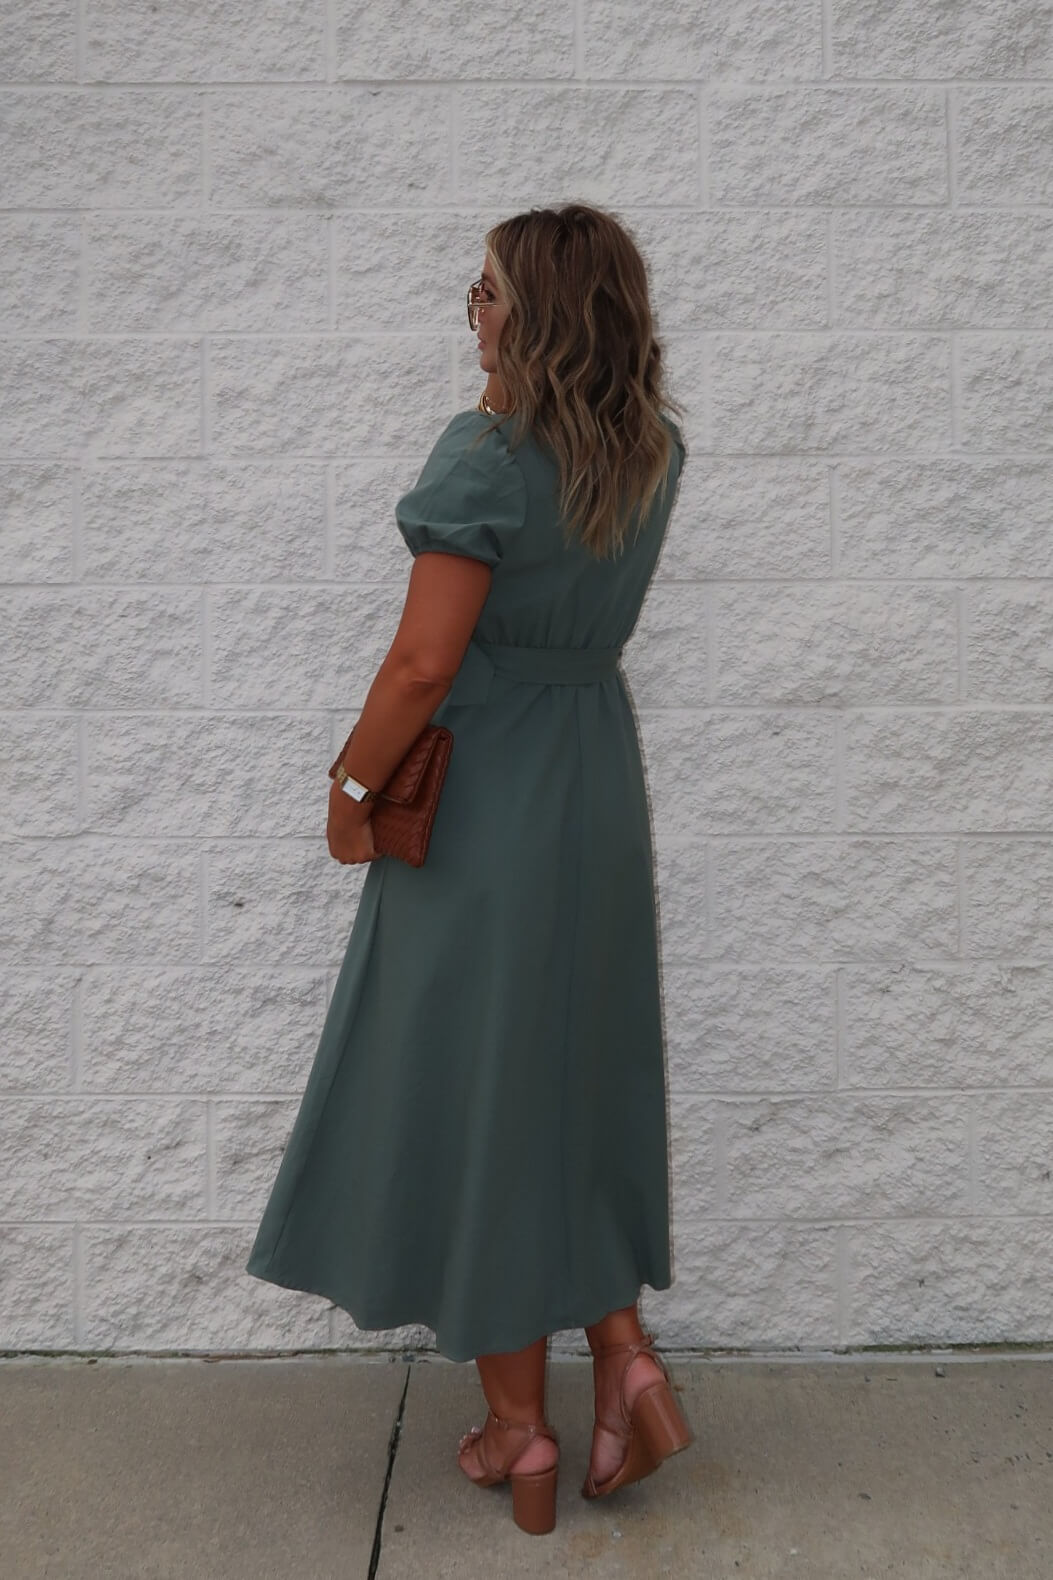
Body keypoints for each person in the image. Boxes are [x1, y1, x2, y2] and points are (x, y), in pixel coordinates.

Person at [245, 200, 693, 1535]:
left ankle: (519, 1431)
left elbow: (423, 663)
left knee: (491, 1090)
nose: (470, 306)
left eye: (489, 289)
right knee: (564, 1070)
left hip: (485, 800)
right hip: (593, 787)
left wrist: (347, 789)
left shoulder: (485, 457)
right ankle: (623, 1361)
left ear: (539, 311)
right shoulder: (652, 452)